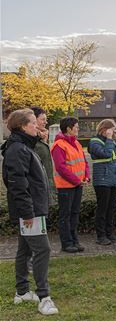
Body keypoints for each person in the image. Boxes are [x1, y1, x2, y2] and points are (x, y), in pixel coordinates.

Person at [1, 109, 59, 315]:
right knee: (42, 249)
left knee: (24, 250)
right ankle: (44, 298)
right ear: (23, 126)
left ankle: (22, 292)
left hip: (31, 209)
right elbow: (17, 184)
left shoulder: (23, 146)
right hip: (29, 212)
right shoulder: (18, 149)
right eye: (34, 123)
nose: (38, 125)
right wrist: (27, 214)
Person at [51, 116, 89, 253]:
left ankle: (74, 240)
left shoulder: (77, 143)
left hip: (77, 185)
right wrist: (78, 181)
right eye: (76, 127)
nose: (78, 128)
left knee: (74, 214)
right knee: (65, 216)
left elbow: (84, 162)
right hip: (66, 187)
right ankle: (66, 243)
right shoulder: (59, 146)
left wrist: (86, 176)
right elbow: (61, 168)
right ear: (68, 128)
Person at [88, 119, 116, 245]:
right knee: (102, 209)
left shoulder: (111, 141)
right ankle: (101, 236)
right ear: (104, 129)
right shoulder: (95, 142)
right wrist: (110, 140)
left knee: (111, 209)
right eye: (112, 129)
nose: (114, 131)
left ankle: (110, 234)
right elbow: (105, 154)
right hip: (102, 181)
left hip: (114, 180)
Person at [31, 107, 56, 206]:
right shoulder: (31, 141)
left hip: (46, 186)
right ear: (33, 120)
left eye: (46, 119)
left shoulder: (41, 139)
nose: (45, 122)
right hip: (38, 189)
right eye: (43, 119)